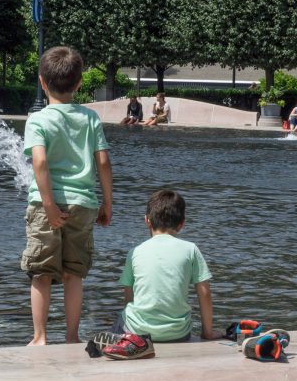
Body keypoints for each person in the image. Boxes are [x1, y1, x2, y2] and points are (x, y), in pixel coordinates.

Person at [21, 46, 113, 346]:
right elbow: (103, 162)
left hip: (44, 204)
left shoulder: (37, 119)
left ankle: (40, 336)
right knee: (75, 274)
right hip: (83, 204)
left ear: (42, 82)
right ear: (78, 83)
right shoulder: (90, 119)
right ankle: (72, 336)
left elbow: (40, 162)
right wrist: (107, 203)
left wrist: (48, 204)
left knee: (41, 273)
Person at [115, 190, 222, 344]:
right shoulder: (191, 249)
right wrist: (208, 332)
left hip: (138, 333)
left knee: (121, 318)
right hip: (178, 333)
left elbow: (128, 297)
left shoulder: (135, 252)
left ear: (147, 221)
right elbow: (204, 293)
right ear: (181, 224)